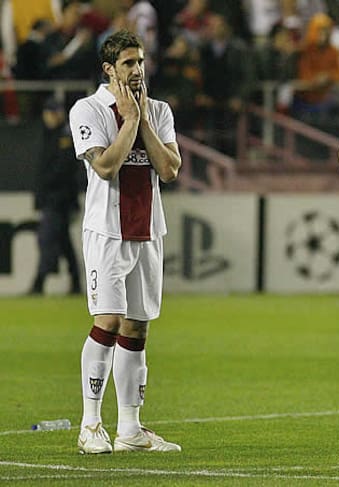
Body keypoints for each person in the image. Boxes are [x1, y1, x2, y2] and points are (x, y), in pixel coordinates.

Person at [69, 29, 182, 454]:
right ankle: (90, 424)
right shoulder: (88, 109)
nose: (137, 70)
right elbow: (105, 166)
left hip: (148, 229)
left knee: (137, 326)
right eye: (128, 63)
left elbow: (169, 170)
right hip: (107, 231)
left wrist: (142, 119)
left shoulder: (160, 110)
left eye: (140, 62)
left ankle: (130, 430)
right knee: (109, 321)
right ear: (109, 69)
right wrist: (128, 121)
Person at [30, 96, 82, 295]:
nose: (51, 116)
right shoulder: (49, 135)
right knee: (63, 242)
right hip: (52, 198)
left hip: (60, 199)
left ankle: (39, 283)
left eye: (54, 112)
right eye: (49, 112)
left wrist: (46, 190)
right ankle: (76, 282)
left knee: (46, 239)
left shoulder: (65, 136)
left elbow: (63, 170)